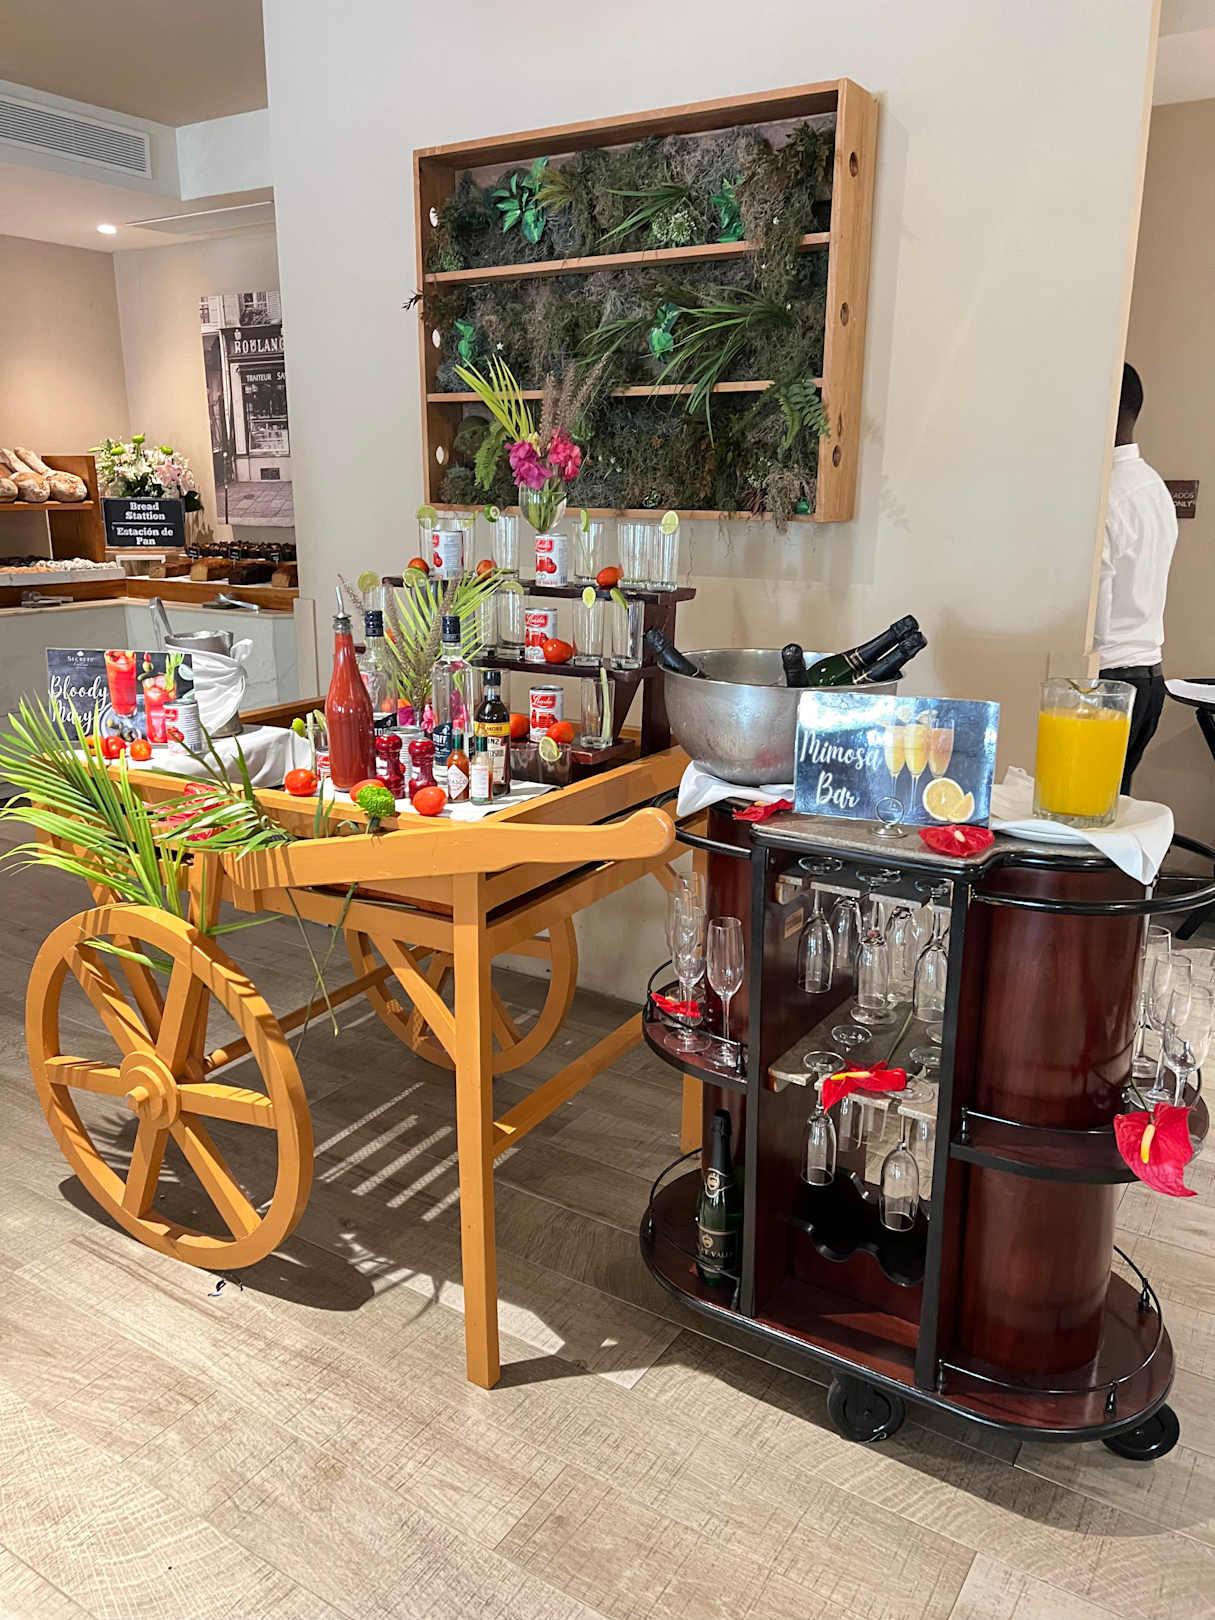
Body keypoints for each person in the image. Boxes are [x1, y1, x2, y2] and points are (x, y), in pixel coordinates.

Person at [1094, 363, 1178, 791]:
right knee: (1112, 809)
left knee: (1080, 815)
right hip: (1148, 678)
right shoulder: (1153, 487)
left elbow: (1094, 625)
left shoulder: (1105, 496)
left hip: (1108, 684)